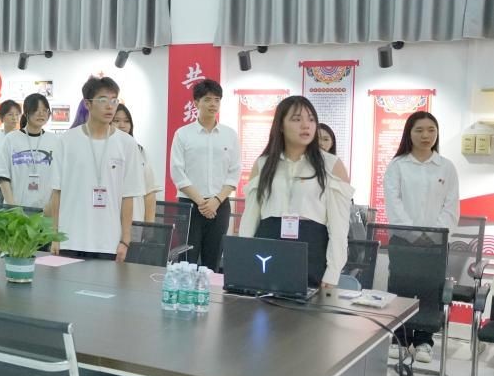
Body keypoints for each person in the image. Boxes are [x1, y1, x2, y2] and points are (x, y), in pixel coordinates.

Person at [239, 96, 352, 288]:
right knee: (263, 305)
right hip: (266, 247)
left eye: (311, 119)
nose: (306, 125)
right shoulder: (263, 163)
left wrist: (333, 272)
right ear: (281, 126)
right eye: (297, 119)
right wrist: (243, 258)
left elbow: (339, 226)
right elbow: (250, 218)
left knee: (307, 306)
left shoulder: (331, 165)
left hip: (311, 249)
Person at [383, 111, 459, 363]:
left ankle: (424, 341)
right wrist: (414, 235)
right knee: (401, 288)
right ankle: (400, 338)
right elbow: (394, 204)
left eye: (431, 130)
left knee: (430, 290)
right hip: (403, 241)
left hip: (436, 243)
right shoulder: (397, 165)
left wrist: (434, 234)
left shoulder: (446, 166)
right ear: (409, 133)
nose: (426, 135)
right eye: (419, 130)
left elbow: (451, 206)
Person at [48, 77, 144, 261]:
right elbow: (57, 192)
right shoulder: (67, 141)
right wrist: (55, 235)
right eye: (102, 100)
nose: (110, 106)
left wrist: (125, 240)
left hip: (109, 242)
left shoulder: (127, 144)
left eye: (114, 100)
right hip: (70, 240)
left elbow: (128, 196)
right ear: (88, 104)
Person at [169, 79, 240, 269]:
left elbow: (234, 172)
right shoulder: (183, 134)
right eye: (207, 99)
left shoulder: (230, 135)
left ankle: (211, 290)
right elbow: (177, 172)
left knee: (213, 259)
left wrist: (216, 201)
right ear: (196, 103)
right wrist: (202, 202)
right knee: (187, 260)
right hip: (190, 205)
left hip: (219, 205)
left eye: (217, 100)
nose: (213, 104)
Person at [0, 93, 58, 210]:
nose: (41, 114)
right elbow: (3, 177)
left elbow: (59, 179)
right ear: (26, 113)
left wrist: (51, 207)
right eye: (36, 110)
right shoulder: (11, 139)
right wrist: (12, 207)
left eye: (45, 110)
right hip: (16, 210)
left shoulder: (55, 141)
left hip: (45, 211)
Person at [112, 103, 162, 222]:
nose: (122, 125)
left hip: (135, 219)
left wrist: (149, 225)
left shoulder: (140, 151)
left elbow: (150, 192)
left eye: (126, 121)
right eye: (116, 121)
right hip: (109, 219)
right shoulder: (102, 151)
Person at [0, 99, 21, 183]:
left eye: (17, 114)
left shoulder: (23, 137)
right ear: (1, 117)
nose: (14, 118)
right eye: (10, 114)